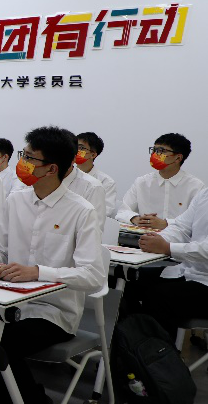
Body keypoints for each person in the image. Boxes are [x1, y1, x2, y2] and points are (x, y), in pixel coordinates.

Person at [0, 127, 104, 404]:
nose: (21, 163)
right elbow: (0, 249)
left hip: (53, 312)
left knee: (2, 343)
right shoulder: (16, 201)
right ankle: (0, 397)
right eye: (23, 155)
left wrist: (38, 272)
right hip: (8, 300)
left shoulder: (81, 211)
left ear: (51, 168)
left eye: (29, 158)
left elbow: (93, 275)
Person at [132, 188, 208, 340]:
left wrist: (167, 247)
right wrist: (156, 239)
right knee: (131, 281)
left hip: (205, 281)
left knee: (159, 297)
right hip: (189, 271)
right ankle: (129, 346)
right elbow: (181, 227)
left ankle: (158, 353)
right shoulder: (204, 194)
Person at [116, 133, 204, 230]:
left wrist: (167, 224)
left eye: (161, 151)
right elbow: (122, 211)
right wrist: (136, 218)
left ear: (178, 158)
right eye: (154, 150)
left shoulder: (196, 187)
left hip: (178, 238)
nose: (155, 154)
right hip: (143, 237)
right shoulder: (142, 182)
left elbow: (200, 221)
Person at [75, 132, 117, 218]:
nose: (76, 151)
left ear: (93, 154)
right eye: (74, 147)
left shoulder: (106, 182)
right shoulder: (64, 175)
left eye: (81, 148)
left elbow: (106, 211)